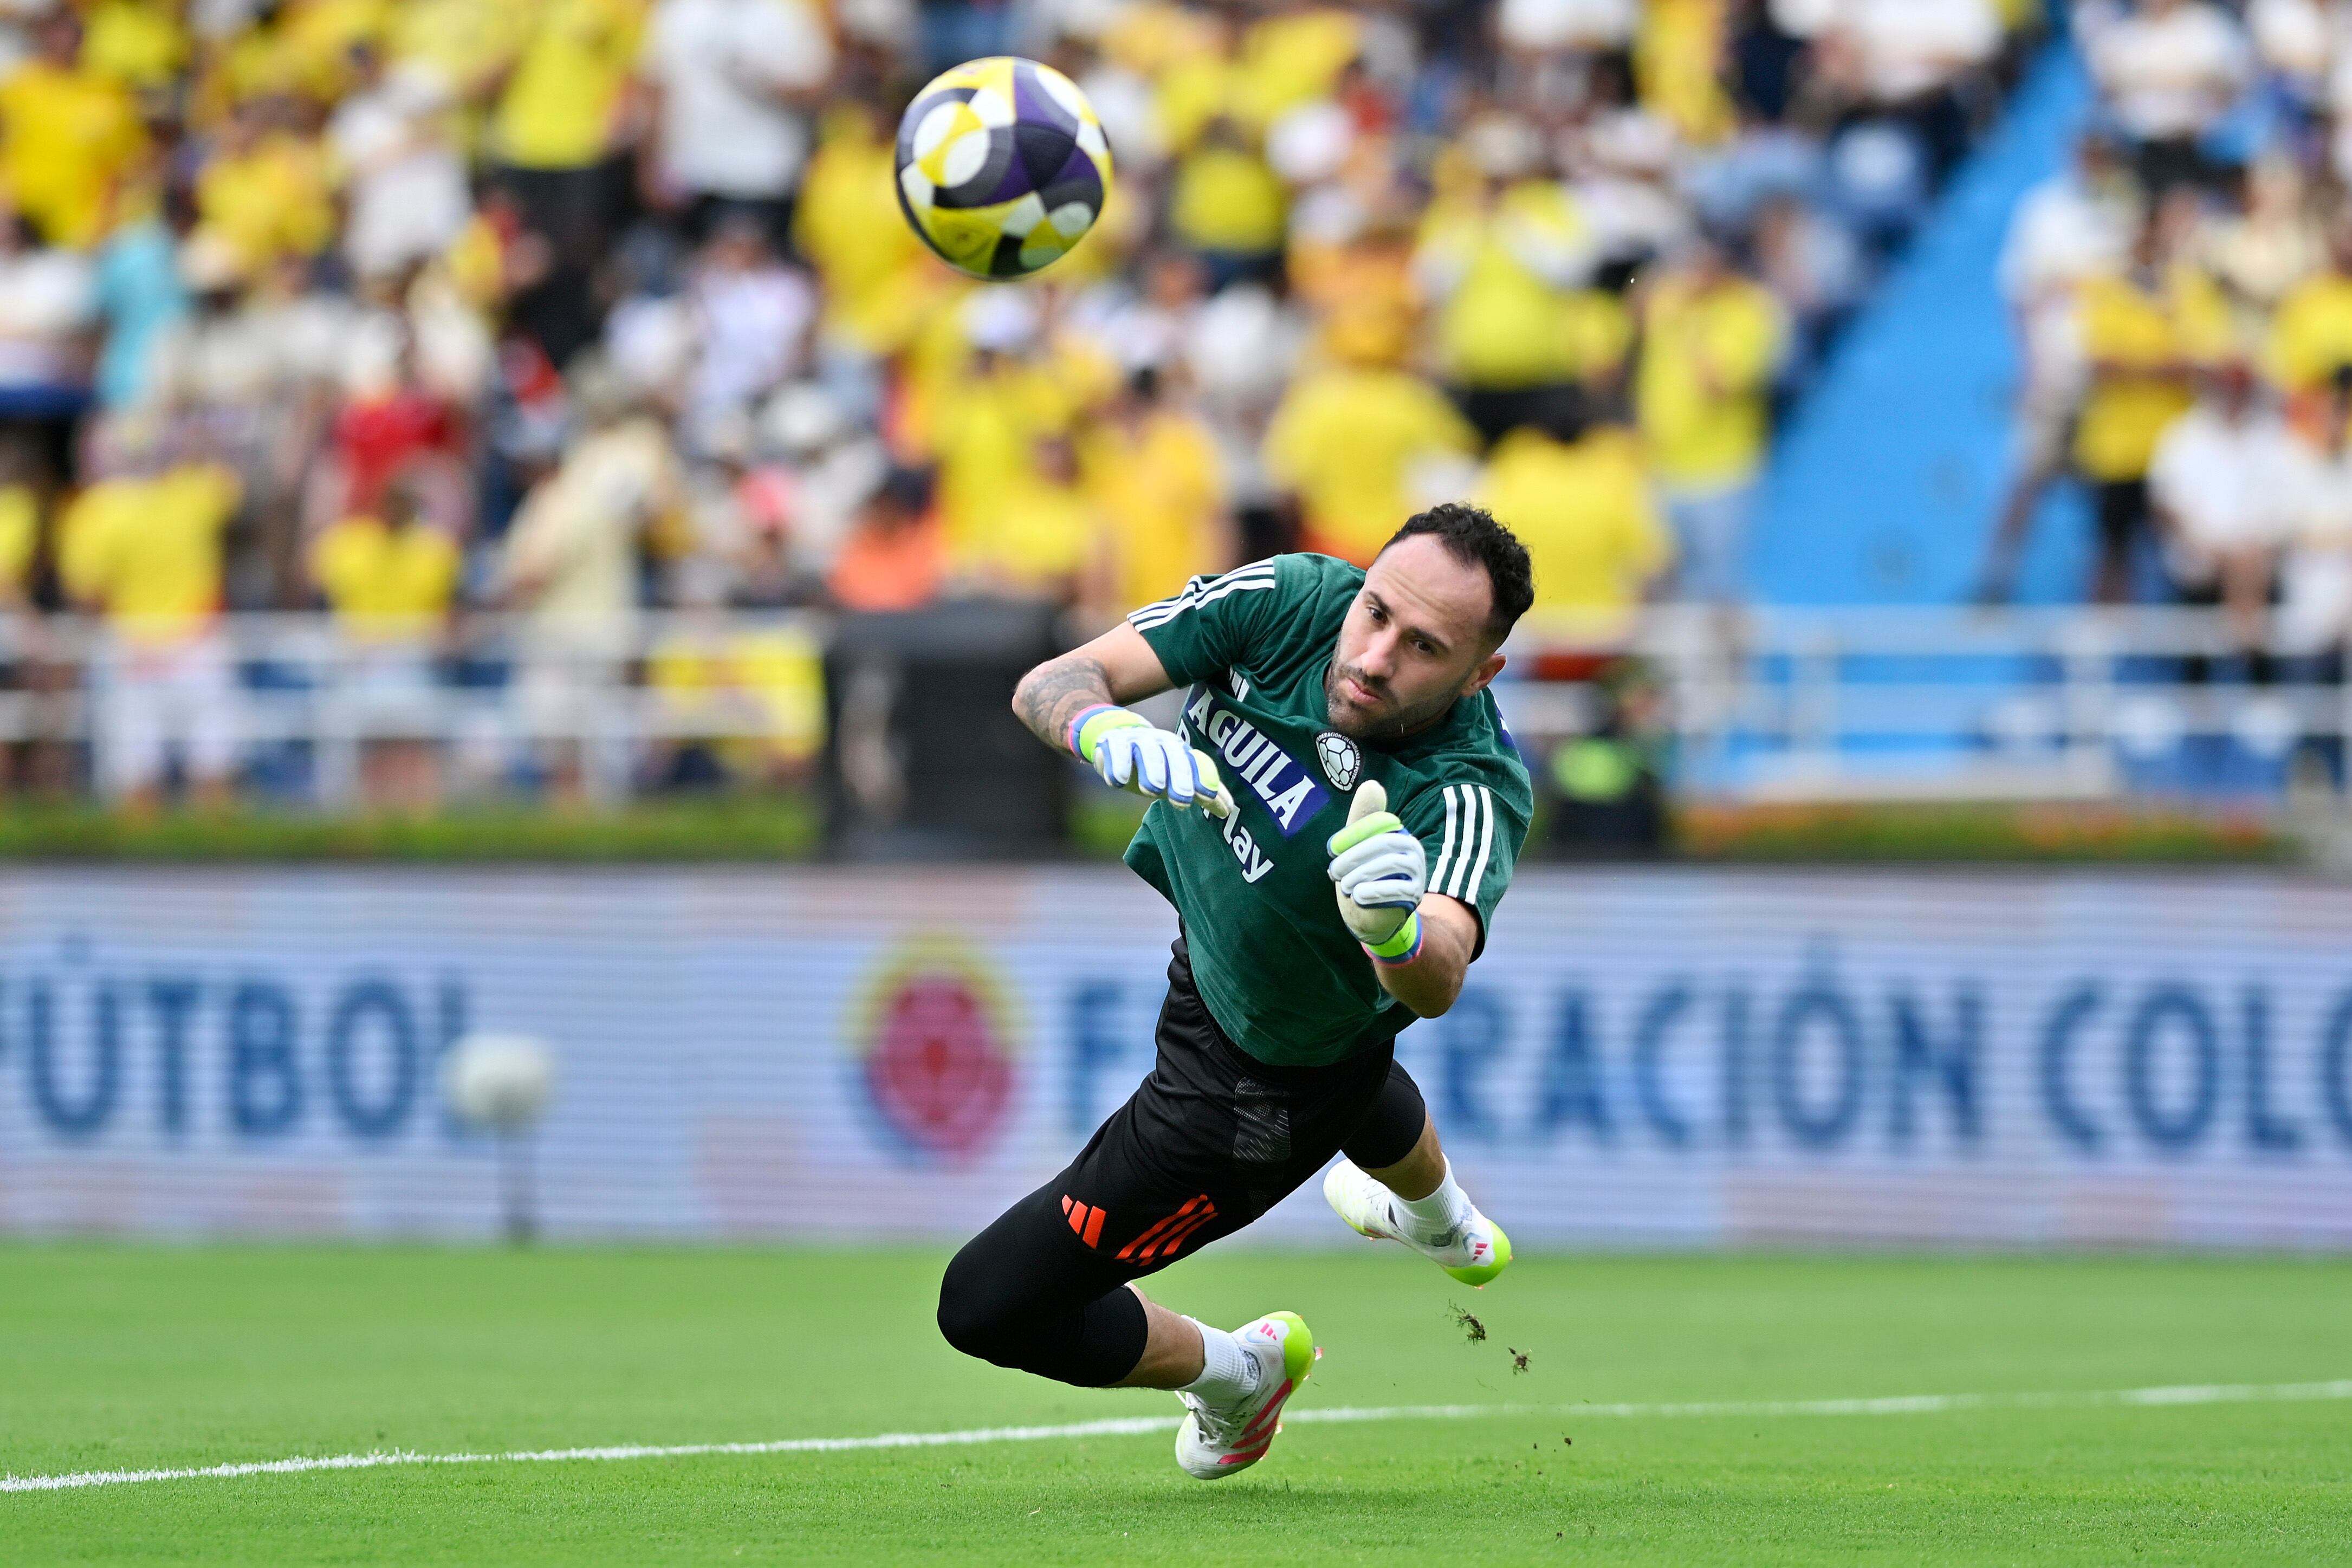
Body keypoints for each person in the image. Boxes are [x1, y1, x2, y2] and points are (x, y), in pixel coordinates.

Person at [939, 503, 1534, 1481]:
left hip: (1253, 1094)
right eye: (1377, 610)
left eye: (1423, 646)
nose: (1376, 655)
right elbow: (1051, 681)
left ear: (1480, 674)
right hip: (1232, 977)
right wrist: (1093, 727)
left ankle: (1240, 1373)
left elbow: (1437, 977)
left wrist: (1393, 927)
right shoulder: (1293, 600)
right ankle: (1440, 1219)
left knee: (985, 1304)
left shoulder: (1468, 782)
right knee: (1345, 1045)